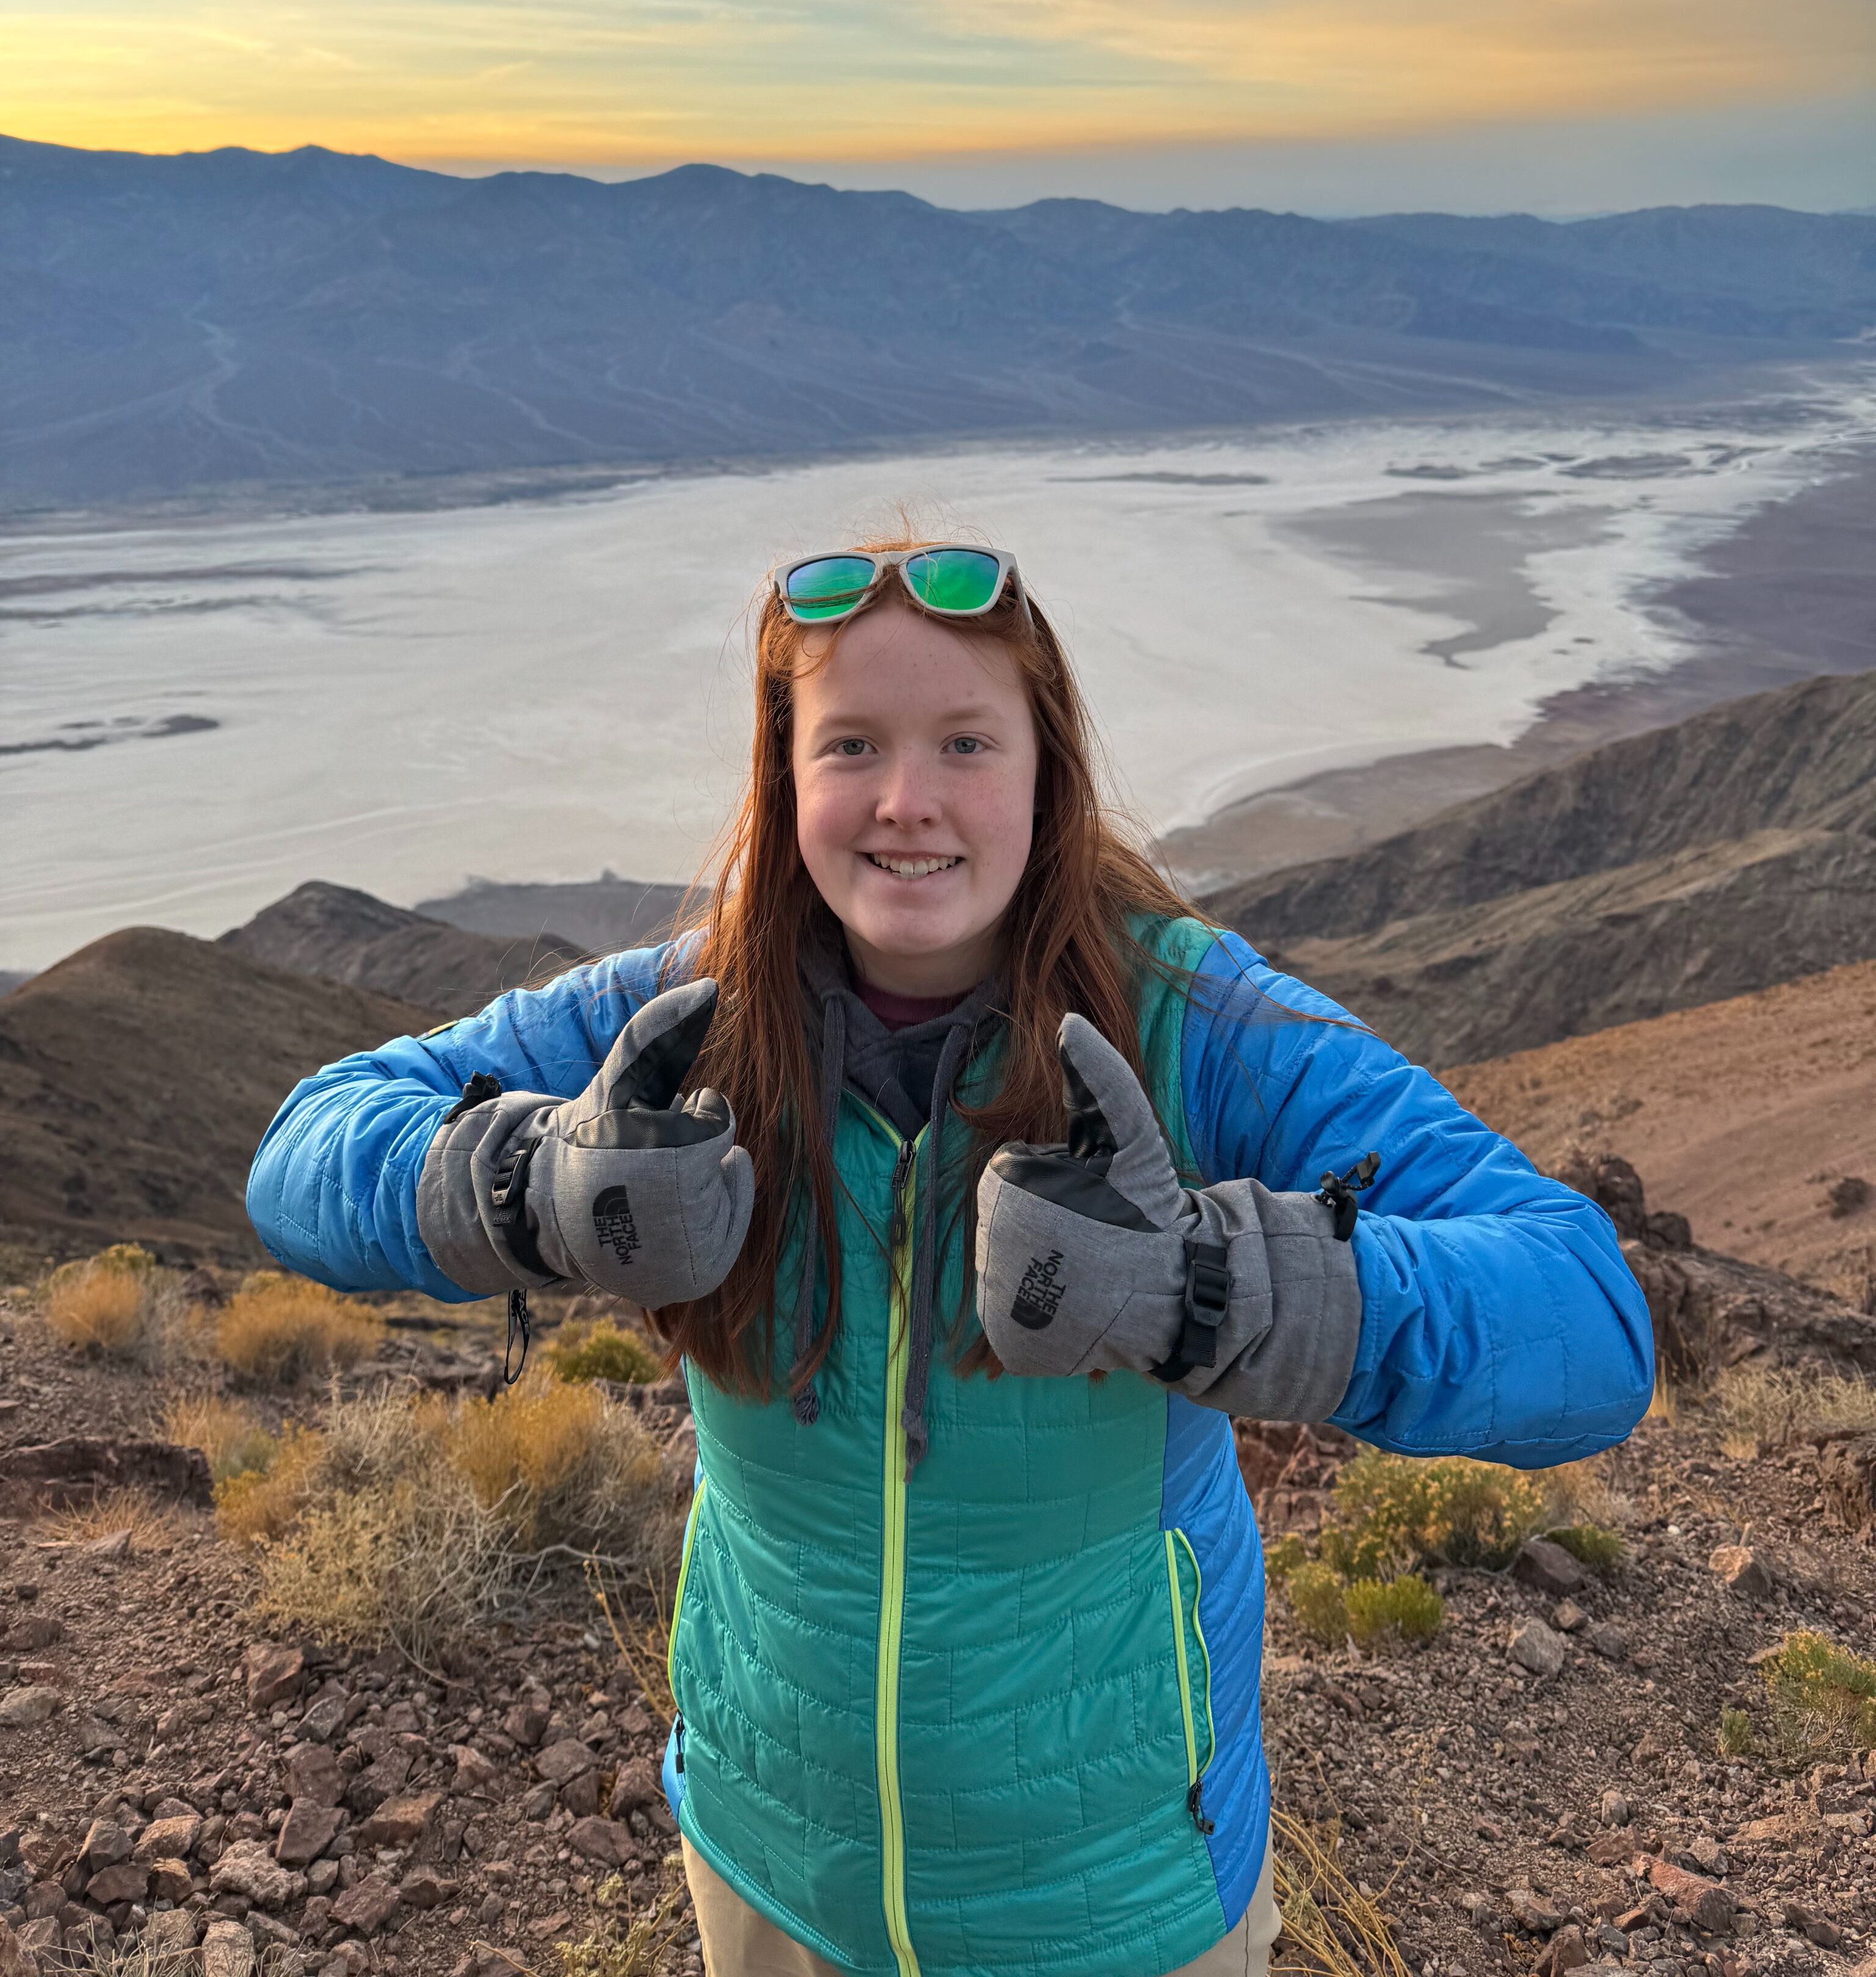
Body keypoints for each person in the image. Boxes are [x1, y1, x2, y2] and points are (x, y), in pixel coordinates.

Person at [248, 536, 1654, 1977]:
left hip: (1116, 1895)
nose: (907, 802)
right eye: (851, 742)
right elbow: (303, 1149)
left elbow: (1589, 1324)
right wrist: (533, 1185)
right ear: (782, 771)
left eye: (966, 743)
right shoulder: (686, 1022)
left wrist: (1204, 1284)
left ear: (1047, 771)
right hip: (773, 1862)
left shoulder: (1195, 1026)